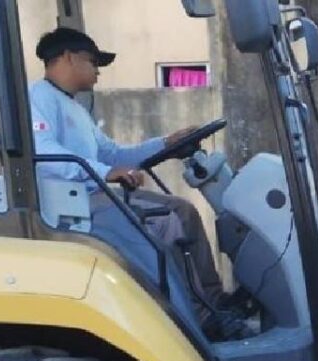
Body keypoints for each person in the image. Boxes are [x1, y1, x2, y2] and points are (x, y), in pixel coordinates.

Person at [28, 27, 244, 339]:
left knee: (184, 211)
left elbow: (114, 154)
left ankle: (214, 301)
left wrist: (166, 143)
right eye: (93, 62)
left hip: (94, 195)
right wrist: (105, 172)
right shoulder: (37, 98)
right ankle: (196, 318)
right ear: (69, 57)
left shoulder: (75, 108)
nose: (98, 72)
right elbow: (43, 151)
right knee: (166, 221)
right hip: (70, 203)